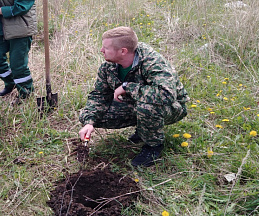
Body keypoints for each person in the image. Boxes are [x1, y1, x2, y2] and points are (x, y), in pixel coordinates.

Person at [78, 27, 189, 167]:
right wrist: (89, 122)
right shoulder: (108, 67)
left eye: (106, 47)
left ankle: (153, 145)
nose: (101, 50)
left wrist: (127, 87)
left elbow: (167, 95)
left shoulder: (152, 62)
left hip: (172, 107)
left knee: (146, 106)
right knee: (86, 114)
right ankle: (144, 129)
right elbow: (99, 96)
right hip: (135, 103)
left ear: (123, 51)